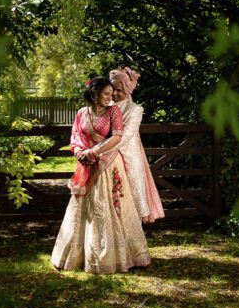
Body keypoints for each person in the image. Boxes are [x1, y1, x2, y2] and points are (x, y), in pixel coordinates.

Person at [51, 76, 151, 273]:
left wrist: (94, 152)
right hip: (86, 165)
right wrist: (80, 152)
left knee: (108, 206)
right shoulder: (82, 113)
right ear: (95, 94)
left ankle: (118, 256)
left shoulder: (113, 111)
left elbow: (117, 135)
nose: (110, 97)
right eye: (106, 94)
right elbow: (75, 137)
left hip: (108, 164)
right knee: (83, 208)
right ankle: (78, 257)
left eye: (112, 94)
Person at [109, 67, 165, 223]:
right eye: (112, 88)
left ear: (128, 89)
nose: (114, 93)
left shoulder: (135, 110)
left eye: (118, 90)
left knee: (131, 196)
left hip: (129, 157)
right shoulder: (105, 107)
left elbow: (125, 137)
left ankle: (133, 238)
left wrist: (99, 150)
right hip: (108, 159)